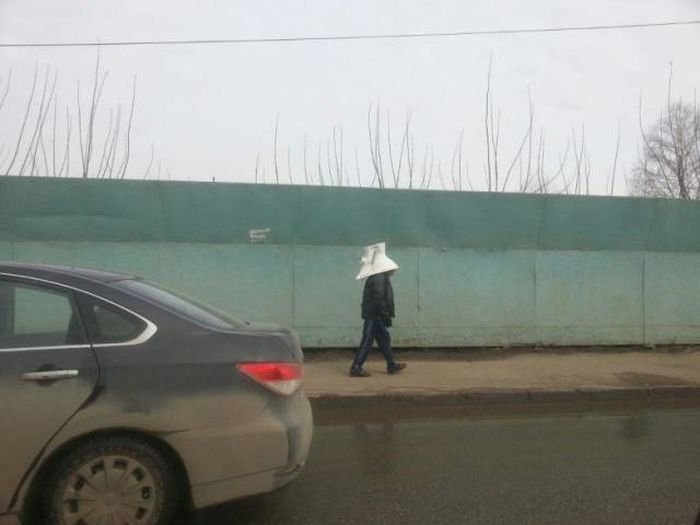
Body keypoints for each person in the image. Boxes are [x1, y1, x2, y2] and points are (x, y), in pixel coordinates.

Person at [350, 242, 407, 377]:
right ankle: (356, 367)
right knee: (368, 340)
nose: (393, 271)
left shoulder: (377, 277)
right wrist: (385, 315)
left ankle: (391, 364)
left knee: (383, 338)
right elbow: (379, 298)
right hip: (375, 314)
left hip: (374, 313)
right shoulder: (379, 278)